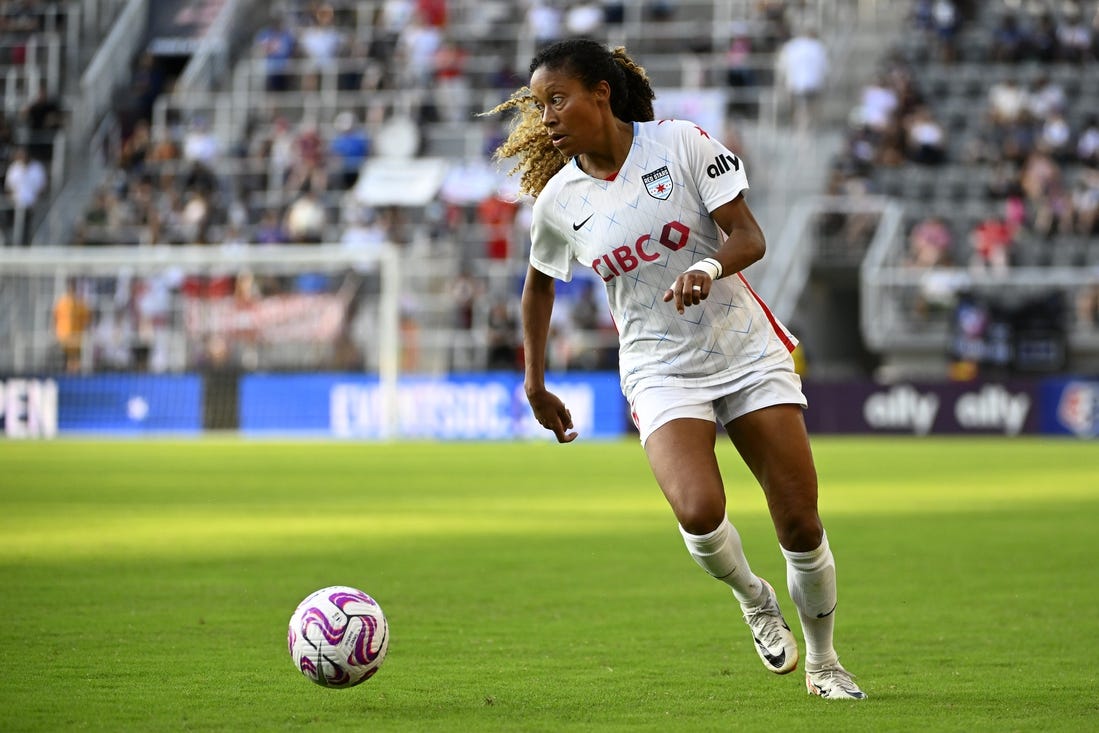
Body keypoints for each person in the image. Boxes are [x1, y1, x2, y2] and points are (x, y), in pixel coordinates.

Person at [484, 38, 866, 701]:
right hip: (660, 367)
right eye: (537, 104)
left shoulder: (682, 143)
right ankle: (752, 596)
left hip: (743, 348)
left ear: (600, 94)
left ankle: (824, 662)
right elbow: (538, 288)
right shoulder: (560, 200)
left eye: (555, 99)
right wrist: (534, 381)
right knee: (697, 510)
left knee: (800, 524)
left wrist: (706, 265)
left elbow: (748, 234)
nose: (544, 116)